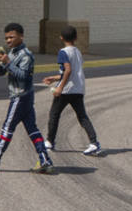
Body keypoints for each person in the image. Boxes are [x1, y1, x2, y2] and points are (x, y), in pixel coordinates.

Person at [0, 22, 54, 174]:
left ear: (21, 36)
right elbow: (1, 73)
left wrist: (8, 63)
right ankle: (45, 160)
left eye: (11, 37)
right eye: (6, 38)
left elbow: (24, 77)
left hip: (21, 96)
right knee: (32, 129)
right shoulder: (11, 53)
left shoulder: (26, 55)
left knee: (7, 127)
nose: (8, 41)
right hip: (24, 97)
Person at [42, 25, 101, 155]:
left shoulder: (63, 52)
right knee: (82, 117)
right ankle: (94, 142)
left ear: (61, 37)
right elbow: (71, 72)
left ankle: (49, 141)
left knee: (54, 115)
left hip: (66, 90)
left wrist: (59, 87)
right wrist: (54, 78)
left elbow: (68, 70)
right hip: (78, 89)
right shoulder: (78, 52)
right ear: (75, 38)